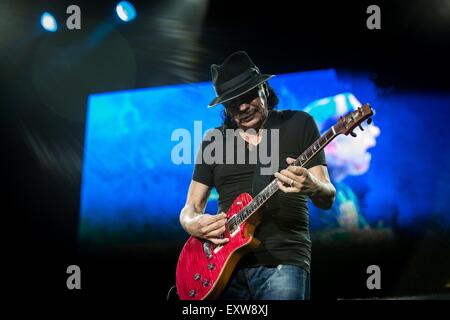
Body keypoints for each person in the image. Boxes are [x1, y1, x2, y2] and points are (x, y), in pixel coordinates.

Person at [179, 51, 336, 300]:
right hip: (222, 270)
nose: (242, 107)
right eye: (233, 102)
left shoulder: (299, 123)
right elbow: (190, 209)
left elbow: (327, 197)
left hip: (283, 260)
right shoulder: (214, 140)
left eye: (248, 95)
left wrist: (313, 186)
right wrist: (193, 224)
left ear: (264, 87)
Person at [303, 93, 380, 231]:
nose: (375, 132)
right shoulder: (306, 199)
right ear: (330, 144)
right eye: (362, 126)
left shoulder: (345, 193)